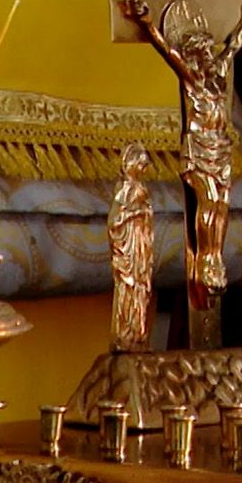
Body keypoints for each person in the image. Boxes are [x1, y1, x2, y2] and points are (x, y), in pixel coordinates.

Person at [117, 0, 242, 310]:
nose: (208, 57)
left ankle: (214, 258)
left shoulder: (217, 76)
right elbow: (167, 51)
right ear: (194, 56)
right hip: (199, 151)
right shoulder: (192, 79)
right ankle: (206, 257)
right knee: (209, 201)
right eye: (202, 53)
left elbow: (234, 44)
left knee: (222, 205)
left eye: (208, 51)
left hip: (220, 149)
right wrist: (147, 23)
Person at [107, 142, 154, 351]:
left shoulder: (141, 189)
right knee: (128, 287)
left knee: (141, 288)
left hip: (140, 247)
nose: (143, 169)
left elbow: (147, 216)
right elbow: (114, 221)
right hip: (128, 247)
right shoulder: (125, 190)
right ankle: (125, 332)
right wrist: (137, 213)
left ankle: (138, 332)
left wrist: (145, 214)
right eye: (140, 165)